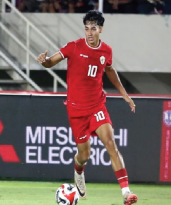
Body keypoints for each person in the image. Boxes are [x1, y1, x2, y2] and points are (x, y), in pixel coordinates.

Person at [36, 10, 138, 205]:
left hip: (97, 105)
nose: (89, 32)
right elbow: (52, 62)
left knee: (111, 144)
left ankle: (126, 193)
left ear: (100, 29)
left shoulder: (106, 50)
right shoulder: (74, 47)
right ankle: (78, 171)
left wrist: (124, 94)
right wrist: (44, 62)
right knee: (84, 155)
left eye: (93, 28)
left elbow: (109, 69)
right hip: (76, 110)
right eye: (86, 28)